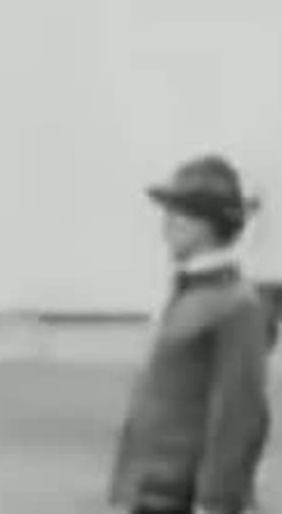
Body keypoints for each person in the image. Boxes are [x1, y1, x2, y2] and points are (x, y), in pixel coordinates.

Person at [111, 154, 272, 514]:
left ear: (211, 224)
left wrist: (216, 502)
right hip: (151, 493)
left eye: (183, 213)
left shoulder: (236, 305)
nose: (168, 223)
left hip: (183, 497)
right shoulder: (185, 296)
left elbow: (239, 413)